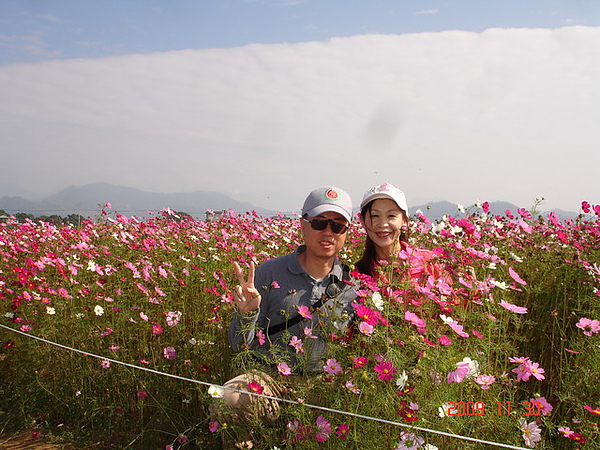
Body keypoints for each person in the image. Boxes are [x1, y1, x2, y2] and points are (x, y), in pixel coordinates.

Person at [222, 186, 356, 423]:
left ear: (346, 232)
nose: (328, 232)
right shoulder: (268, 273)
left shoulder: (353, 285)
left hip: (323, 384)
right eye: (319, 223)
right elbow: (237, 346)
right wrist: (246, 315)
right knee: (231, 398)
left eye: (337, 225)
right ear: (303, 224)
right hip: (270, 378)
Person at [356, 182, 445, 284]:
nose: (383, 224)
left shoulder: (428, 262)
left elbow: (451, 299)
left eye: (391, 216)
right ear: (362, 221)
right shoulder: (357, 273)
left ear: (404, 220)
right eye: (375, 216)